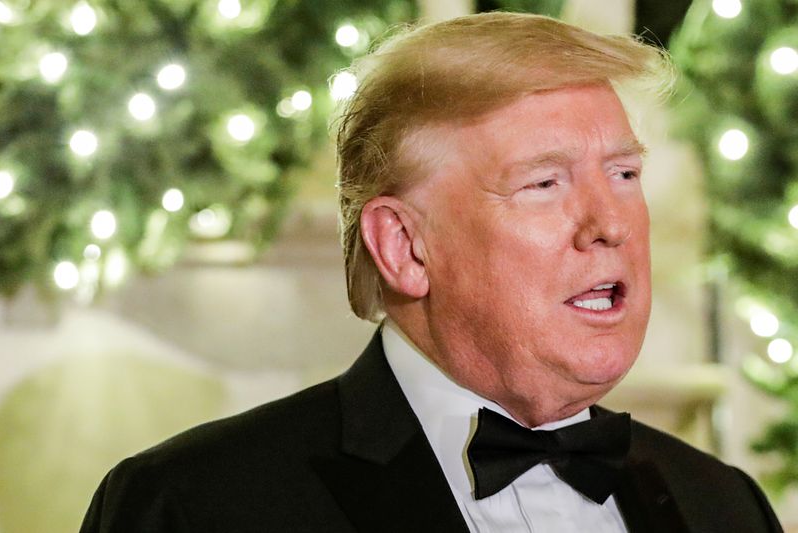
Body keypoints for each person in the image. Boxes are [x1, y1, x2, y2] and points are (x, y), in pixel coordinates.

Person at [80, 12, 783, 533]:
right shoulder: (198, 506)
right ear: (405, 248)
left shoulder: (724, 506)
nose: (612, 222)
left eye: (624, 173)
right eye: (544, 183)